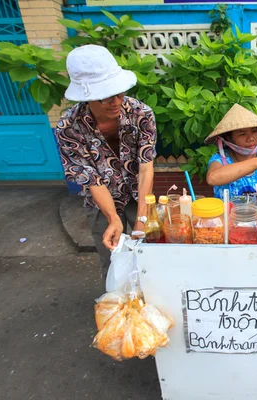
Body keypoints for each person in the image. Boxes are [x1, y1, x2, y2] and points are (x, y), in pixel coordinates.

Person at [55, 44, 157, 279]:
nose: (116, 101)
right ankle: (118, 308)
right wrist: (113, 218)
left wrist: (142, 218)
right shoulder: (68, 127)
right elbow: (92, 179)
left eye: (120, 93)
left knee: (152, 250)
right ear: (87, 97)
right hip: (100, 199)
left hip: (138, 193)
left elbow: (145, 167)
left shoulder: (141, 114)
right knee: (112, 258)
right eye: (106, 97)